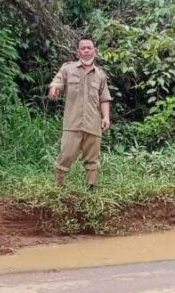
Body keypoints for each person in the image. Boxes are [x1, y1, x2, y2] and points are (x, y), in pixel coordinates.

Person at [48, 36, 112, 191]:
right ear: (78, 52)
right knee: (66, 155)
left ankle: (91, 188)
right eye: (83, 48)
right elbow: (57, 82)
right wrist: (53, 90)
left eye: (89, 47)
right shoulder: (68, 69)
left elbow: (104, 98)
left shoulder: (100, 75)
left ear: (94, 51)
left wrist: (106, 117)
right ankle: (57, 188)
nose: (86, 50)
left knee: (92, 159)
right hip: (72, 123)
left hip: (93, 124)